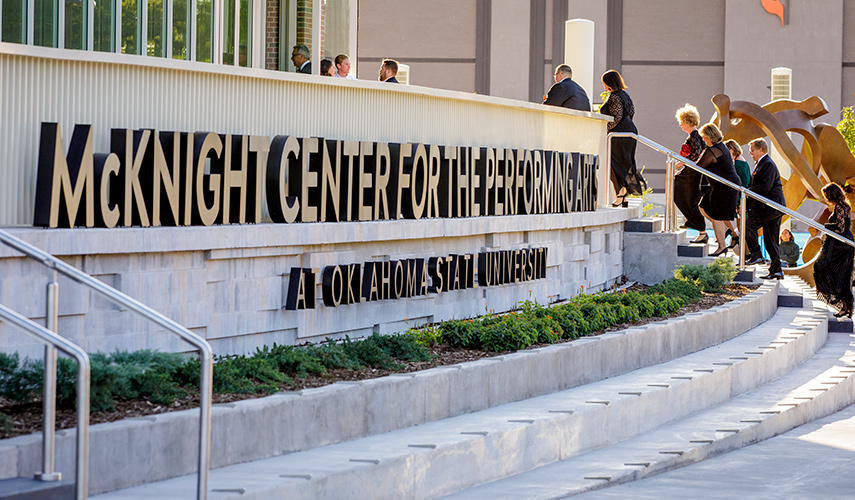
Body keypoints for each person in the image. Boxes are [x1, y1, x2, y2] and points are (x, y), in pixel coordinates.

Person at [600, 69, 646, 206]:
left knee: (614, 163)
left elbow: (617, 116)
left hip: (619, 131)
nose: (603, 86)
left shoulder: (614, 96)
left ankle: (621, 193)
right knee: (625, 162)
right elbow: (630, 113)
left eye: (604, 83)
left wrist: (605, 129)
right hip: (629, 129)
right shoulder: (625, 95)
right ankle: (623, 194)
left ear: (609, 83)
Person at [697, 123, 742, 257]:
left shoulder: (714, 150)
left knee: (717, 216)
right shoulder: (720, 147)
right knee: (703, 206)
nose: (704, 140)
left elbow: (699, 166)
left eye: (704, 138)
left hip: (725, 187)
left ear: (710, 136)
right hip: (720, 186)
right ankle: (728, 232)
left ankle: (722, 246)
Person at [745, 138, 786, 279]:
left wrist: (747, 191)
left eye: (752, 150)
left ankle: (756, 255)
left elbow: (765, 187)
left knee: (748, 225)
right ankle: (776, 270)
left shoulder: (767, 164)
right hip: (771, 207)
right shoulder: (761, 164)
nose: (750, 153)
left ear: (760, 150)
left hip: (771, 206)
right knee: (770, 240)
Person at [813, 182, 854, 317]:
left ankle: (840, 299)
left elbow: (841, 228)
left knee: (824, 267)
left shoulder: (840, 207)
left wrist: (827, 229)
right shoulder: (843, 206)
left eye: (827, 195)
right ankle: (846, 306)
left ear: (832, 194)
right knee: (841, 274)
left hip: (841, 244)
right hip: (841, 243)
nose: (826, 198)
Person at [673, 104, 707, 243]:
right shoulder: (696, 135)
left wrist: (682, 163)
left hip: (693, 174)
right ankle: (694, 224)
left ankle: (699, 228)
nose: (680, 125)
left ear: (687, 121)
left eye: (682, 121)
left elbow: (697, 154)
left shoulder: (694, 135)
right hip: (692, 173)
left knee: (682, 196)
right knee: (687, 199)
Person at [723, 139, 752, 251]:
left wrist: (740, 201)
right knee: (740, 226)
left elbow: (743, 182)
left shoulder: (739, 161)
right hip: (739, 197)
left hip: (741, 198)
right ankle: (742, 248)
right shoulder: (738, 161)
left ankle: (746, 252)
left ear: (733, 149)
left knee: (742, 227)